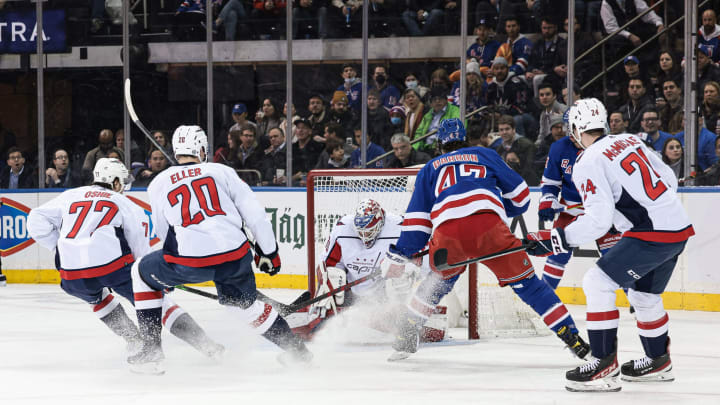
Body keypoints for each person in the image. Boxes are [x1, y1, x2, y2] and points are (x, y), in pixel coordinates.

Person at [382, 118, 590, 361]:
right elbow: (522, 197)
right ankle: (572, 338)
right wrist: (497, 210)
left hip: (448, 233)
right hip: (490, 228)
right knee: (530, 286)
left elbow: (417, 222)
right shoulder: (483, 154)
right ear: (467, 139)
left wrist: (404, 252)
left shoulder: (430, 167)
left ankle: (406, 334)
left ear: (439, 144)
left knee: (438, 280)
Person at [524, 98, 694, 392]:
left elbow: (598, 221)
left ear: (576, 128)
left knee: (596, 282)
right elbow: (668, 177)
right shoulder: (629, 139)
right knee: (644, 296)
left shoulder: (587, 160)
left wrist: (557, 238)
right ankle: (658, 361)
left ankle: (603, 364)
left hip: (650, 233)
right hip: (677, 227)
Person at [129, 125, 312, 373]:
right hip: (234, 257)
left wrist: (168, 273)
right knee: (245, 308)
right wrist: (269, 253)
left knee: (140, 272)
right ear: (202, 149)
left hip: (189, 262)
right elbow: (256, 217)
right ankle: (298, 353)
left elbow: (164, 231)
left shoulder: (159, 182)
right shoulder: (222, 171)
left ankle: (151, 352)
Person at [26, 158, 222, 370]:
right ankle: (207, 347)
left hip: (72, 274)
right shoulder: (126, 204)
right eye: (123, 182)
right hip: (112, 267)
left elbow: (34, 219)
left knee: (97, 299)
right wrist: (156, 280)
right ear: (115, 182)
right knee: (157, 301)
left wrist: (59, 249)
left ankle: (134, 341)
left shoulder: (70, 195)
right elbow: (140, 252)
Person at [287, 199, 441, 341]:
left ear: (380, 224)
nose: (364, 236)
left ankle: (407, 321)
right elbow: (327, 264)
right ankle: (321, 318)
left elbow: (423, 262)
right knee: (332, 276)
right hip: (353, 293)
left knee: (399, 279)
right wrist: (331, 289)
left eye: (368, 231)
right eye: (360, 231)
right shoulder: (343, 229)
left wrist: (406, 269)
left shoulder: (400, 228)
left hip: (384, 295)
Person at [537, 113, 621, 290]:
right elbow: (551, 182)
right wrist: (548, 201)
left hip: (602, 209)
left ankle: (638, 304)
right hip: (571, 209)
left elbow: (619, 186)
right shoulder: (559, 148)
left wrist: (617, 214)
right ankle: (543, 298)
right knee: (557, 254)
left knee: (616, 257)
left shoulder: (607, 147)